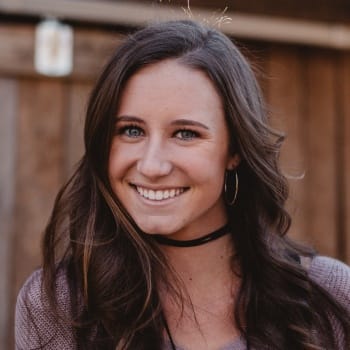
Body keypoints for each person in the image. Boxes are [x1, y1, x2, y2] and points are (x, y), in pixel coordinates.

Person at [15, 19, 350, 350]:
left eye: (185, 133)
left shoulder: (331, 297)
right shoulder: (57, 307)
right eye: (132, 130)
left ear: (235, 149)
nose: (152, 165)